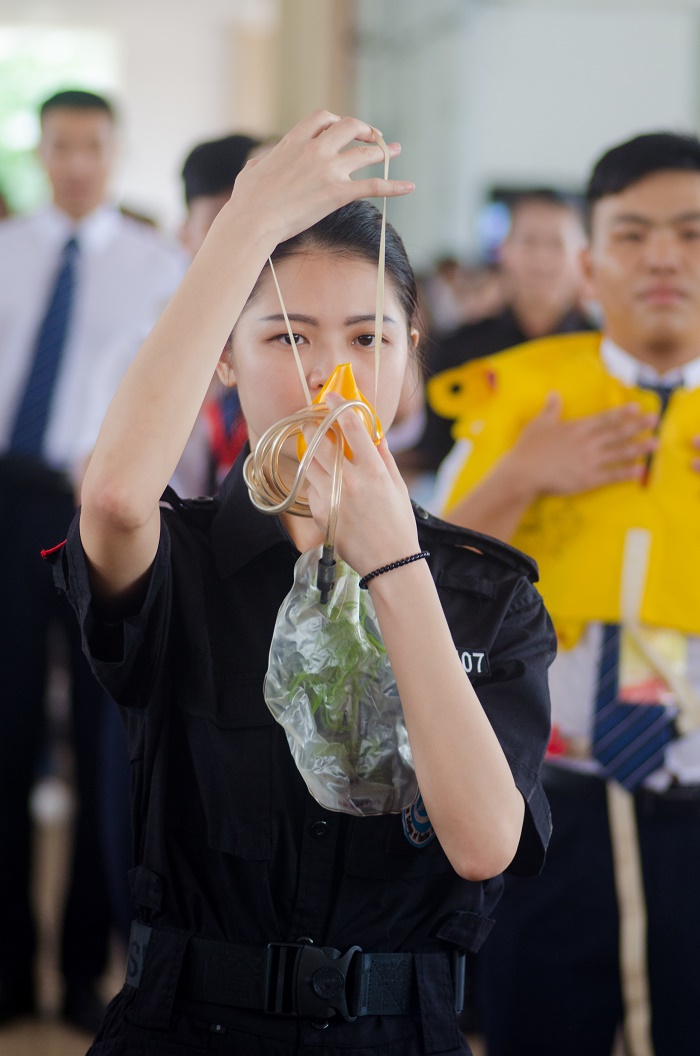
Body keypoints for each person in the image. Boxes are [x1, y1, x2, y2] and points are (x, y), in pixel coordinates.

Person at [48, 110, 554, 1055]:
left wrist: (396, 566)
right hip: (186, 1026)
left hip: (400, 1034)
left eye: (371, 339)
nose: (332, 375)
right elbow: (114, 500)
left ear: (413, 359)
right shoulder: (182, 559)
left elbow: (484, 843)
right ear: (225, 362)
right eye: (286, 338)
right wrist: (244, 223)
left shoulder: (490, 594)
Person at [428, 132, 700, 1056]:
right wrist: (521, 476)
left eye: (692, 233)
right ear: (590, 262)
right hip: (552, 802)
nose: (665, 256)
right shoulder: (523, 402)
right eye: (634, 234)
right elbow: (421, 579)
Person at [0, 88, 185, 1031]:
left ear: (116, 153)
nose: (76, 162)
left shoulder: (159, 268)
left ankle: (83, 969)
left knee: (102, 748)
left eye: (93, 146)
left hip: (99, 509)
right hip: (2, 498)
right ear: (40, 151)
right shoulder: (6, 251)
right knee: (4, 731)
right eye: (60, 145)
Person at [414, 189, 591, 475]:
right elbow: (434, 455)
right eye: (529, 242)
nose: (542, 260)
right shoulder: (459, 347)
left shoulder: (603, 350)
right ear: (504, 250)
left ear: (583, 256)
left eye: (557, 244)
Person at [173, 132, 261, 497]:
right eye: (219, 228)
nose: (240, 248)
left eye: (253, 227)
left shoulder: (305, 341)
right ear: (185, 234)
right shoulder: (136, 352)